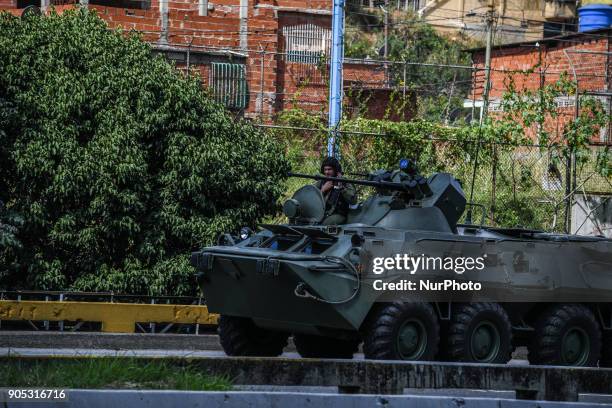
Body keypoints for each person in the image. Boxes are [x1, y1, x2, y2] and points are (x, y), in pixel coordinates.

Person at [315, 157, 357, 225]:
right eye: (325, 169)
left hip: (338, 214)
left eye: (329, 169)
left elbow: (353, 201)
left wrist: (341, 187)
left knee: (325, 224)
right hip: (321, 213)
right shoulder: (321, 182)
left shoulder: (344, 181)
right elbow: (312, 198)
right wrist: (322, 190)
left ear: (336, 170)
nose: (327, 172)